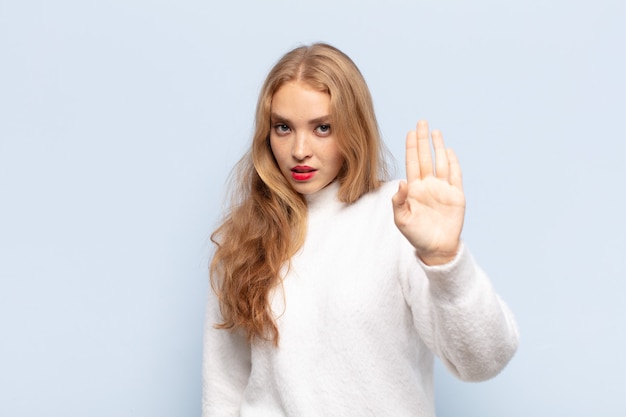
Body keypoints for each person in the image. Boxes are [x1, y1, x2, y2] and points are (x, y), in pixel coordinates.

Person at [203, 43, 519, 417]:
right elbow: (224, 388)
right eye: (283, 127)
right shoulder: (243, 238)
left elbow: (484, 360)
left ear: (353, 128)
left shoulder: (400, 217)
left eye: (323, 128)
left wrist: (445, 259)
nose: (299, 149)